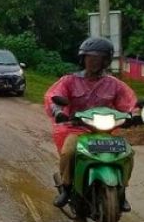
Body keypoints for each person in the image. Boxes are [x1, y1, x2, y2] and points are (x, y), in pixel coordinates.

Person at [44, 37, 137, 210]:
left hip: (106, 131)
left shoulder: (114, 84)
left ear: (106, 61)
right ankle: (66, 187)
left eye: (98, 58)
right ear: (83, 59)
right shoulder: (69, 81)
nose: (93, 62)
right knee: (69, 152)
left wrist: (135, 115)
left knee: (128, 154)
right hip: (76, 128)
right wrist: (58, 111)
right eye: (89, 58)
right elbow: (53, 96)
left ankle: (122, 191)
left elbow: (129, 102)